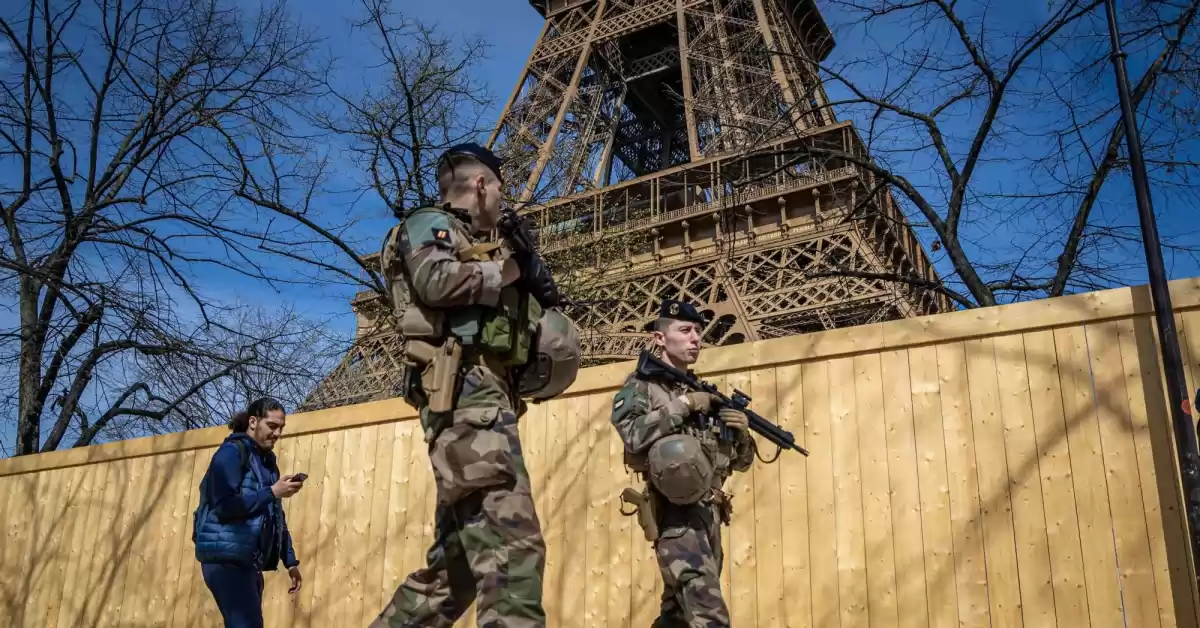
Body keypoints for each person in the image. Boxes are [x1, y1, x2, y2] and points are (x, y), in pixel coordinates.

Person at [371, 142, 575, 627]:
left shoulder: (482, 240)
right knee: (514, 553)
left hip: (482, 404)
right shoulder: (430, 224)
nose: (503, 198)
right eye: (500, 188)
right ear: (481, 184)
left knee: (454, 577)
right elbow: (437, 282)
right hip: (467, 401)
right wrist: (513, 269)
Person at [610, 299, 756, 627]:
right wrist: (686, 404)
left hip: (710, 515)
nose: (696, 338)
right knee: (708, 614)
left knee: (677, 617)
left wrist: (742, 435)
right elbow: (632, 435)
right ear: (659, 338)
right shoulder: (642, 387)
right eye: (685, 330)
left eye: (698, 332)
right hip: (676, 516)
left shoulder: (704, 393)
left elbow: (738, 463)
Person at [192, 397, 304, 628]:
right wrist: (272, 492)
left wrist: (290, 561)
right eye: (272, 426)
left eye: (281, 428)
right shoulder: (231, 453)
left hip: (248, 562)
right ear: (253, 422)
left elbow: (274, 515)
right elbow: (224, 506)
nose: (277, 433)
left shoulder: (266, 462)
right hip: (225, 559)